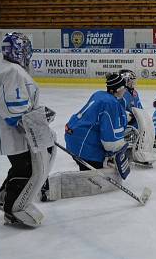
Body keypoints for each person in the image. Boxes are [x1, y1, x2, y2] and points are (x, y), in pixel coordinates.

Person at [0, 32, 55, 227]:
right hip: (12, 132)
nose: (28, 53)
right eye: (25, 49)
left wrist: (37, 113)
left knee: (20, 165)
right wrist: (35, 122)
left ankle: (3, 198)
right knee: (26, 167)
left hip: (9, 131)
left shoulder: (8, 68)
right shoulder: (13, 71)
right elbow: (13, 107)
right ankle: (12, 210)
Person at [41, 73, 133, 203]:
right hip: (84, 144)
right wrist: (120, 148)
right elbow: (110, 141)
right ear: (118, 89)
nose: (126, 90)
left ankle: (53, 185)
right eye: (124, 87)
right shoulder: (111, 103)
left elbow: (98, 115)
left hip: (74, 135)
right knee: (94, 179)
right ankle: (51, 186)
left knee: (95, 171)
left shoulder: (100, 95)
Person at [118, 69, 155, 165]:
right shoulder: (121, 93)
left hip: (134, 120)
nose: (133, 82)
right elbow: (117, 111)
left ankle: (141, 149)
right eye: (131, 80)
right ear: (125, 80)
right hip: (125, 122)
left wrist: (143, 118)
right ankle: (138, 152)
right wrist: (128, 116)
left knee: (145, 126)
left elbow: (139, 108)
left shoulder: (134, 92)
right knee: (139, 130)